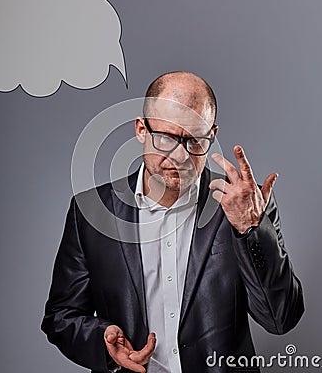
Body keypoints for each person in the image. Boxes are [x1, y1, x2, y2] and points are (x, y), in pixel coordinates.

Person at [41, 71, 304, 373]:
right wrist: (102, 342)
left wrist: (250, 230)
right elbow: (62, 315)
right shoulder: (91, 211)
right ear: (141, 129)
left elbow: (281, 319)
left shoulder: (246, 207)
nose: (179, 156)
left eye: (194, 141)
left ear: (212, 136)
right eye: (166, 137)